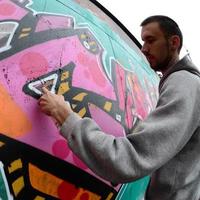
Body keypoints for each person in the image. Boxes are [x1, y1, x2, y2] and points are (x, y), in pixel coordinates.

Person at [38, 15, 200, 200]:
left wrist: (66, 116)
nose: (144, 49)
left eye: (151, 40)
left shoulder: (185, 83)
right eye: (143, 41)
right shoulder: (184, 84)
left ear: (174, 42)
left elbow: (128, 159)